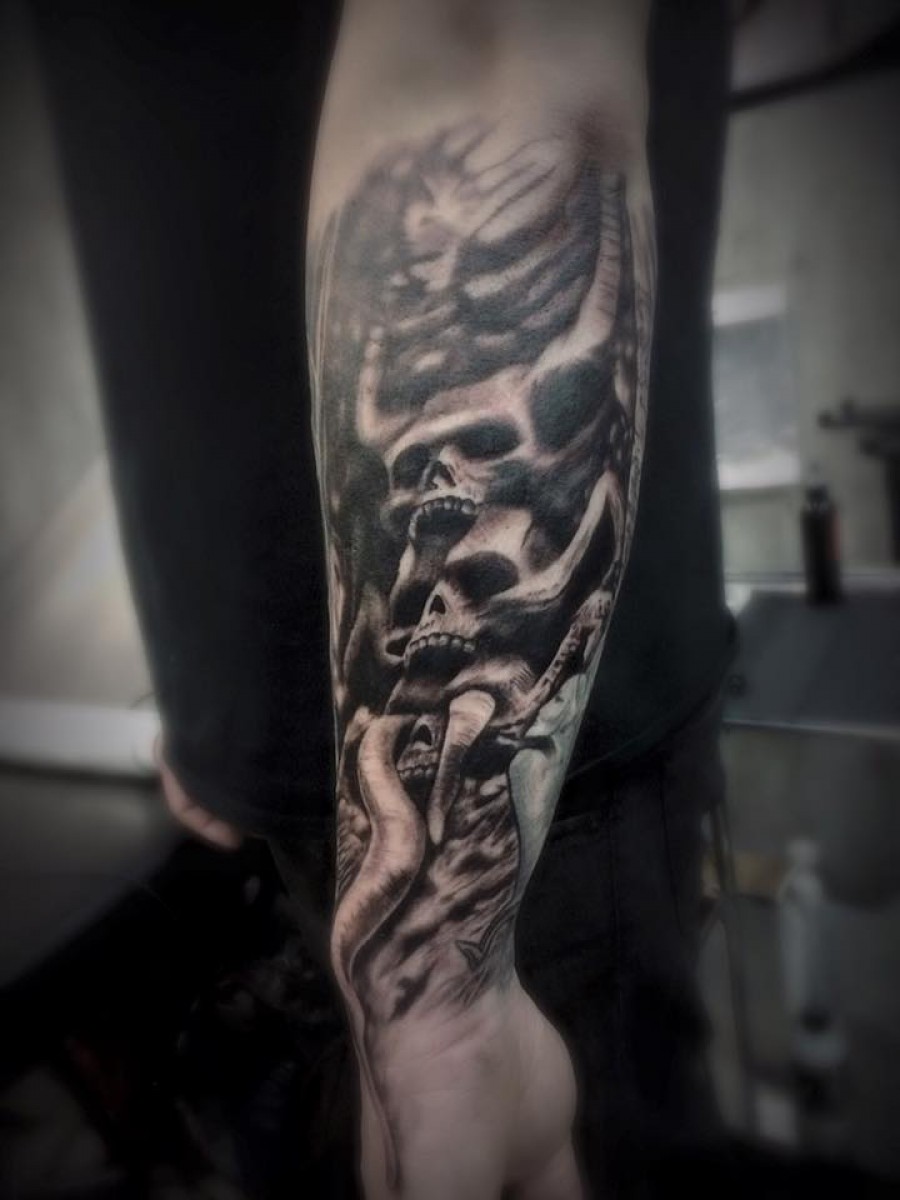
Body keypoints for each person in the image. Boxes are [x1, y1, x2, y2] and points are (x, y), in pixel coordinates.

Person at [33, 0, 734, 1195]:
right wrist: (209, 682)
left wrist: (442, 990)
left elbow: (488, 50)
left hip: (532, 809)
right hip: (291, 776)